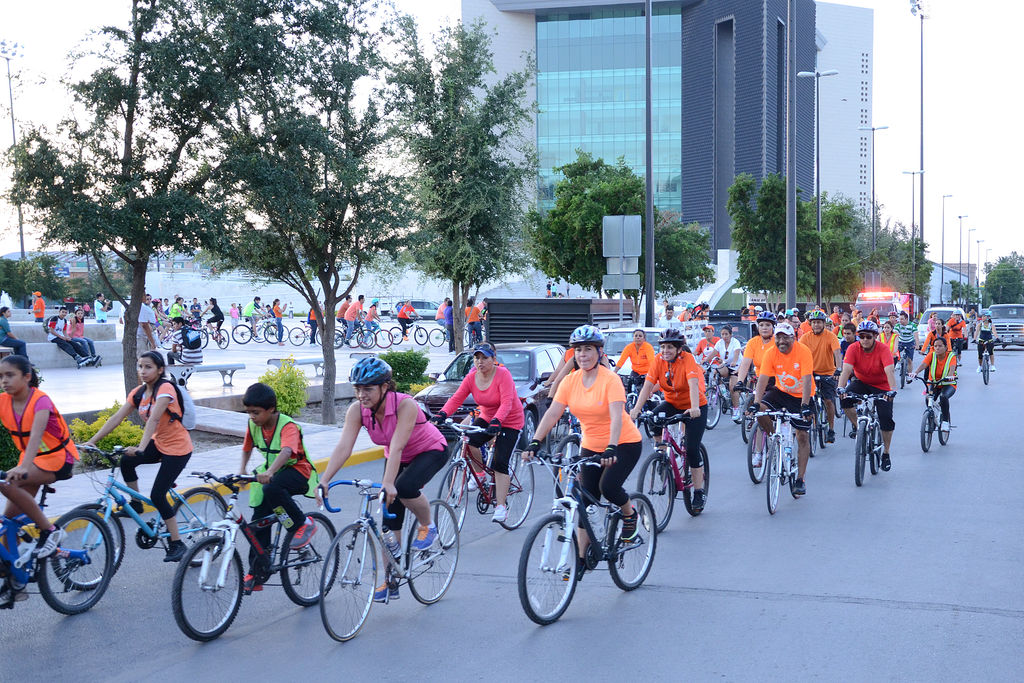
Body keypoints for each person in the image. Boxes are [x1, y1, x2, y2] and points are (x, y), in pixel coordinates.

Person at [317, 358, 448, 602]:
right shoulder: (357, 410)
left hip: (430, 450)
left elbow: (397, 446)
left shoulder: (405, 405)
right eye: (357, 388)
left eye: (368, 389)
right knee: (389, 519)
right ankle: (390, 580)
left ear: (385, 386)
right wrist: (324, 479)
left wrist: (389, 484)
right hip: (397, 456)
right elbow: (344, 446)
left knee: (403, 487)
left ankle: (428, 525)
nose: (361, 395)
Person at [527, 326, 645, 576]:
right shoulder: (570, 381)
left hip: (623, 442)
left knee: (608, 487)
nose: (583, 354)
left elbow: (616, 417)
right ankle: (582, 558)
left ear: (599, 352)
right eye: (579, 350)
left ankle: (630, 514)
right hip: (591, 445)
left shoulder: (610, 380)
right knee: (584, 500)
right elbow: (553, 413)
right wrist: (536, 441)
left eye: (588, 349)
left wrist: (612, 446)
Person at [86, 351, 192, 562]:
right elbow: (117, 417)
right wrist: (92, 441)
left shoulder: (166, 389)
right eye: (140, 366)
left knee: (158, 495)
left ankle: (177, 543)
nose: (143, 371)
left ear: (160, 370)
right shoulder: (138, 393)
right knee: (126, 461)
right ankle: (136, 503)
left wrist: (141, 448)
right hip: (159, 443)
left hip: (178, 448)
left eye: (148, 367)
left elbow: (153, 420)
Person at [0, 355, 79, 593]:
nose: (4, 381)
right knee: (9, 524)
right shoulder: (3, 401)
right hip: (29, 463)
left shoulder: (40, 400)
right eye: (1, 376)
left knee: (5, 484)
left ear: (27, 377)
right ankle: (17, 581)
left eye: (10, 375)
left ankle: (51, 531)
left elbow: (36, 435)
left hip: (58, 459)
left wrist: (24, 467)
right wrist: (24, 465)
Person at [237, 382, 320, 593]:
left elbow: (286, 451)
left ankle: (302, 524)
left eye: (256, 412)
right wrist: (242, 470)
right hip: (272, 474)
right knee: (258, 521)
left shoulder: (287, 425)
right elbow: (247, 448)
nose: (252, 417)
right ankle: (257, 572)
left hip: (297, 472)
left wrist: (271, 472)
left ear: (271, 409)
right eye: (248, 412)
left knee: (271, 489)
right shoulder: (253, 425)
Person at [433, 342, 524, 523]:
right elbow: (457, 398)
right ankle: (480, 475)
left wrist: (498, 421)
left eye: (484, 358)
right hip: (488, 417)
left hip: (510, 420)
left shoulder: (503, 374)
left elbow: (507, 402)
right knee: (469, 441)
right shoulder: (471, 377)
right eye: (477, 358)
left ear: (493, 359)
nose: (480, 362)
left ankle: (501, 506)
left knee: (499, 462)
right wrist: (442, 414)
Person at [628, 328, 708, 510]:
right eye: (663, 347)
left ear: (679, 349)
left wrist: (695, 407)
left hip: (694, 406)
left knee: (692, 449)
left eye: (670, 347)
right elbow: (648, 386)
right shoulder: (658, 360)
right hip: (672, 403)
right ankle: (662, 454)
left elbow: (693, 383)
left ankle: (698, 491)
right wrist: (637, 408)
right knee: (653, 419)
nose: (665, 351)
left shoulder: (688, 359)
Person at [747, 322, 814, 494]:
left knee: (802, 436)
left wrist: (805, 405)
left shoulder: (803, 351)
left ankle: (800, 479)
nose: (781, 341)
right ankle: (774, 439)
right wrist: (756, 402)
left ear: (793, 338)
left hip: (801, 396)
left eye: (785, 337)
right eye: (778, 337)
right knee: (760, 410)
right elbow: (763, 379)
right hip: (781, 392)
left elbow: (807, 380)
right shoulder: (771, 352)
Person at [837, 320, 897, 470]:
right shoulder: (853, 348)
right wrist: (840, 388)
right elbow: (846, 370)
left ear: (875, 336)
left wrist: (892, 390)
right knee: (845, 400)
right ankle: (859, 428)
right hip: (862, 382)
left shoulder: (883, 349)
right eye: (861, 336)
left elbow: (889, 371)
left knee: (886, 418)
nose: (864, 340)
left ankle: (886, 453)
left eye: (868, 337)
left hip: (882, 385)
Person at [799, 310, 842, 442]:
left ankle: (831, 429)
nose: (816, 325)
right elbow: (798, 354)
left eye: (819, 322)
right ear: (810, 324)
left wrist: (838, 369)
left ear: (823, 323)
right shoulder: (805, 337)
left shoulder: (831, 336)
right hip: (810, 374)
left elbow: (837, 353)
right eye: (814, 323)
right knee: (806, 400)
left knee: (828, 401)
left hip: (827, 373)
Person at [911, 337, 957, 432]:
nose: (937, 348)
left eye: (940, 346)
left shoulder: (951, 356)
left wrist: (950, 376)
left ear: (945, 347)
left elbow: (952, 367)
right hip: (934, 383)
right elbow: (924, 364)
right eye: (935, 346)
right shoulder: (931, 355)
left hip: (948, 383)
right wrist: (915, 373)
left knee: (943, 397)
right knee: (928, 398)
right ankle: (931, 418)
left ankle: (945, 422)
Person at [712, 325, 743, 416]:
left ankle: (736, 409)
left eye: (726, 334)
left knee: (732, 387)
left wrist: (734, 361)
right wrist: (705, 360)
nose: (724, 336)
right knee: (716, 372)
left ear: (731, 334)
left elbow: (737, 353)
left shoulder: (735, 342)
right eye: (722, 334)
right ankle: (723, 394)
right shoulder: (719, 342)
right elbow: (713, 353)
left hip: (736, 367)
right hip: (726, 365)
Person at [615, 329, 655, 395]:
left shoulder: (648, 347)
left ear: (644, 338)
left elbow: (651, 361)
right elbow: (622, 360)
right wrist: (615, 372)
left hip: (647, 372)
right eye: (636, 336)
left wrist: (653, 373)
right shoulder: (629, 347)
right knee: (629, 386)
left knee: (648, 390)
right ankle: (629, 398)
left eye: (640, 336)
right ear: (633, 337)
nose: (638, 337)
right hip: (635, 372)